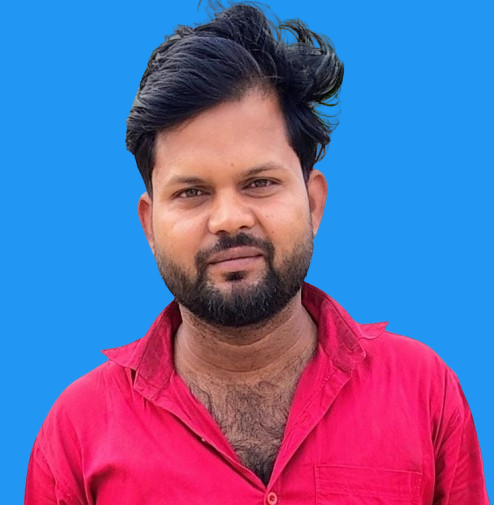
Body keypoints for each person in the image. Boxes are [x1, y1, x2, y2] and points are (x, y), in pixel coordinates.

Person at [25, 3, 489, 504]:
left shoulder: (423, 391)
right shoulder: (78, 431)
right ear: (149, 224)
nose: (229, 219)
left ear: (313, 203)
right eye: (192, 192)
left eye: (260, 182)